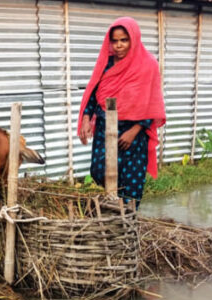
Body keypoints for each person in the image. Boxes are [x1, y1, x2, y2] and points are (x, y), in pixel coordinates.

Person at [78, 17, 166, 207]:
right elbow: (94, 91)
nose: (118, 45)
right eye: (114, 40)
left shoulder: (148, 64)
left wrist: (134, 131)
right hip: (104, 128)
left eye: (124, 40)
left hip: (134, 135)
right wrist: (86, 117)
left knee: (132, 185)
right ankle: (113, 210)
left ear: (133, 39)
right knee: (98, 171)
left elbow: (152, 102)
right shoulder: (106, 63)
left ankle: (128, 223)